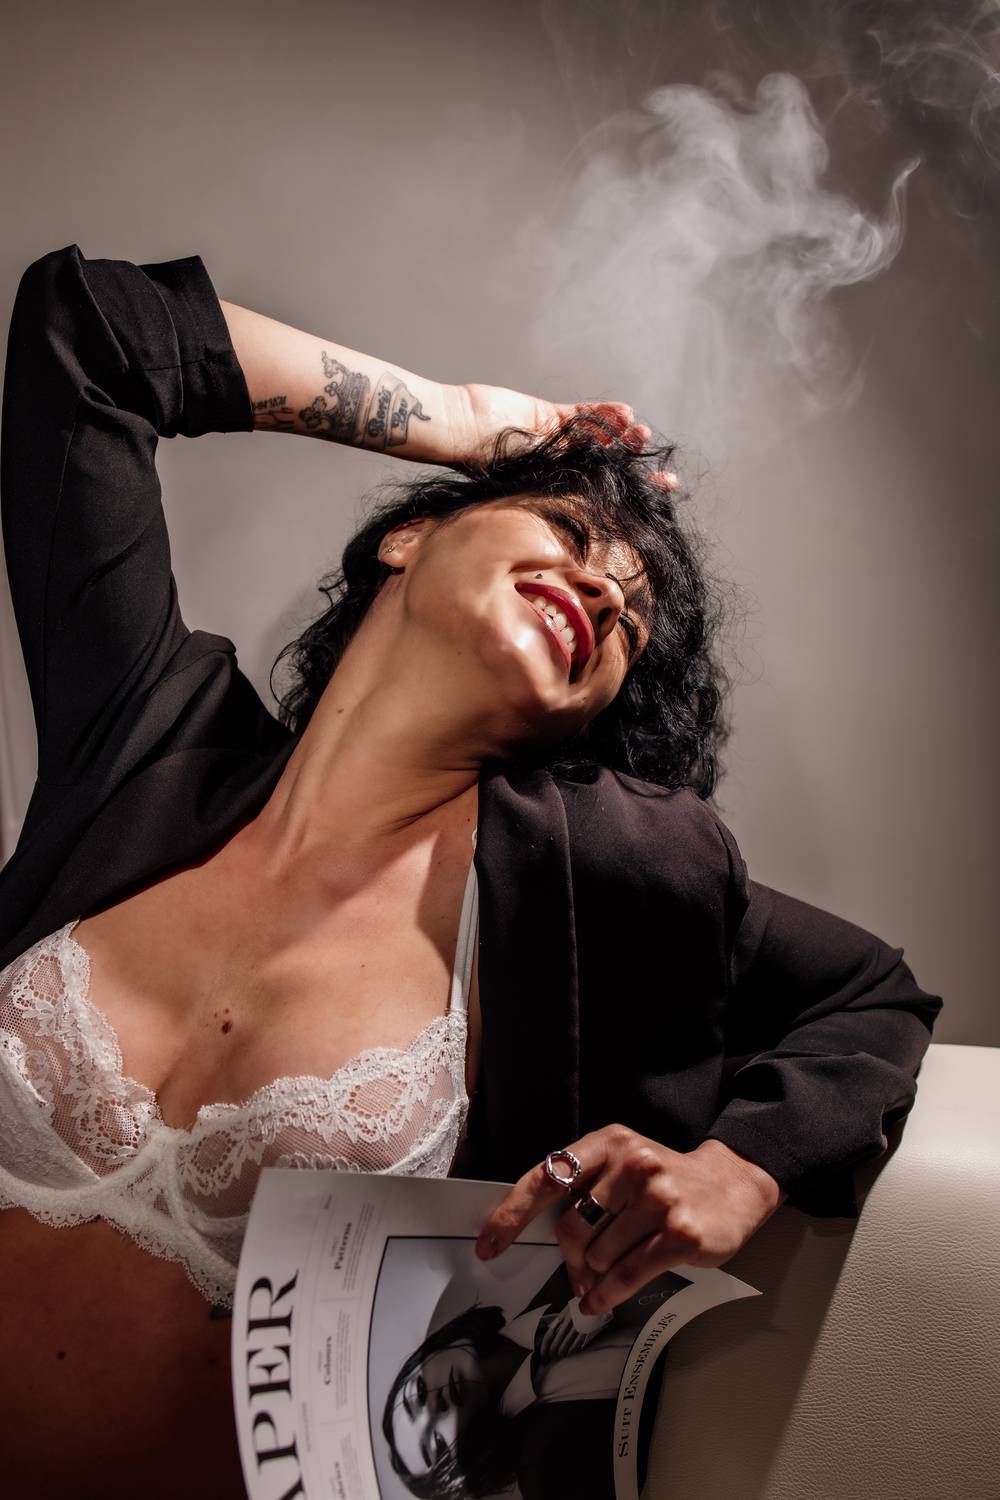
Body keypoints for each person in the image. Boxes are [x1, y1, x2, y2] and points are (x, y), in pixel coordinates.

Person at [0, 243, 942, 1499]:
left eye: (628, 619)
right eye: (570, 529)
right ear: (410, 539)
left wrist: (737, 1169)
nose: (600, 587)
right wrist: (468, 423)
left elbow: (870, 994)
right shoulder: (148, 738)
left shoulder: (599, 875)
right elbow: (90, 337)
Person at [381, 1260, 688, 1498]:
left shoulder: (561, 1273)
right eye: (436, 1443)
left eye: (419, 1392)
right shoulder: (548, 1478)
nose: (435, 1406)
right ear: (462, 1468)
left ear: (427, 1354)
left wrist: (602, 1298)